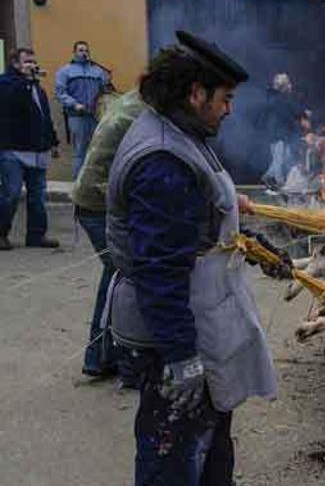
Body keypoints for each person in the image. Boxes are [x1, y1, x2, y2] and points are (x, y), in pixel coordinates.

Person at [106, 31, 277, 485]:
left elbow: (196, 199)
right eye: (225, 98)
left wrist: (228, 205)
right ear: (196, 92)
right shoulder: (162, 160)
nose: (229, 109)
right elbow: (159, 274)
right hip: (174, 334)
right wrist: (182, 358)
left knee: (210, 444)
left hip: (199, 318)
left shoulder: (182, 130)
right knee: (173, 455)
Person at [71, 89, 146, 382]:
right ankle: (113, 360)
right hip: (99, 202)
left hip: (92, 198)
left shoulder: (131, 100)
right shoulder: (144, 115)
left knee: (116, 274)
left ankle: (105, 357)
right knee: (122, 275)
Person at [0, 47, 60, 251]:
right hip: (13, 149)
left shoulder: (37, 88)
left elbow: (44, 116)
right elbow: (12, 102)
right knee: (11, 194)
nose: (32, 66)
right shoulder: (6, 83)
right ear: (15, 64)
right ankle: (1, 234)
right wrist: (27, 82)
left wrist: (53, 142)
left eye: (33, 62)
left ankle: (36, 235)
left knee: (38, 196)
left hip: (37, 150)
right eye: (27, 62)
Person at [55, 40, 110, 178]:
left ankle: (91, 184)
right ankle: (77, 183)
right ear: (74, 53)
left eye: (86, 50)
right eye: (81, 50)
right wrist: (74, 104)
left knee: (97, 151)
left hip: (96, 116)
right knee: (80, 151)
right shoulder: (65, 71)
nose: (84, 53)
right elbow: (60, 93)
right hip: (77, 116)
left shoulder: (97, 71)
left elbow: (105, 91)